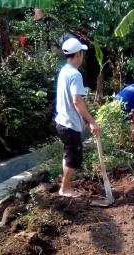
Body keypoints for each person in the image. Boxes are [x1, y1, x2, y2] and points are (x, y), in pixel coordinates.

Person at [54, 37, 101, 198]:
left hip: (61, 121)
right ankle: (65, 189)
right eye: (82, 54)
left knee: (68, 155)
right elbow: (76, 100)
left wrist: (81, 120)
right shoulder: (75, 74)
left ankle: (65, 186)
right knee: (73, 157)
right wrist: (92, 122)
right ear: (79, 54)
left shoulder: (64, 71)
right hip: (69, 124)